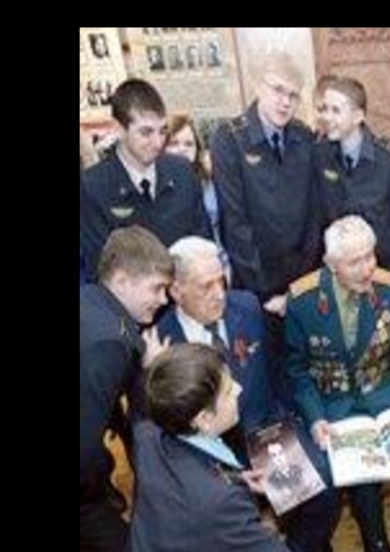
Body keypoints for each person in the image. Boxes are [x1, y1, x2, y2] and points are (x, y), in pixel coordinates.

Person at [157, 236, 338, 552]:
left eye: (221, 281)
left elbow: (277, 368)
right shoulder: (161, 343)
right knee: (229, 526)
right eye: (206, 286)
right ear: (176, 291)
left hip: (263, 429)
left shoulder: (247, 306)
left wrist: (297, 421)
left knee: (321, 486)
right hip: (209, 453)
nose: (219, 294)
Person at [285, 216, 390, 552]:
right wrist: (315, 418)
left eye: (370, 256)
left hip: (387, 386)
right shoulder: (303, 301)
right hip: (336, 400)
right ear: (331, 264)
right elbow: (297, 371)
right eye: (354, 262)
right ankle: (375, 538)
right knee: (360, 470)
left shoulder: (388, 288)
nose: (367, 268)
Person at [124, 344, 366, 552]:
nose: (239, 389)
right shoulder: (219, 505)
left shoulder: (148, 435)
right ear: (204, 419)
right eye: (228, 391)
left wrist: (235, 478)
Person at [211, 51, 322, 398]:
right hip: (255, 287)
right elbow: (235, 223)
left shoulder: (304, 137)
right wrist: (265, 293)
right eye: (278, 90)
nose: (285, 102)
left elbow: (314, 213)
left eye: (293, 95)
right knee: (262, 376)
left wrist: (300, 286)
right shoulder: (229, 138)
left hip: (301, 282)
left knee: (304, 370)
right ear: (258, 86)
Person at [80, 226, 174, 552]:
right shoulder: (110, 343)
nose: (163, 299)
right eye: (156, 288)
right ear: (121, 281)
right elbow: (85, 447)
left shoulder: (91, 301)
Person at [80, 78, 210, 281]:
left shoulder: (182, 172)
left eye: (162, 131)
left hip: (186, 293)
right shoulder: (92, 187)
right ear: (118, 129)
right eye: (146, 132)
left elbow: (203, 244)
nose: (157, 142)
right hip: (129, 299)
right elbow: (99, 270)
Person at [314, 76, 390, 284]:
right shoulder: (320, 154)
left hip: (383, 272)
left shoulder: (387, 158)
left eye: (336, 110)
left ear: (358, 116)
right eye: (325, 109)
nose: (327, 117)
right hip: (340, 276)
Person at [164, 114, 230, 278]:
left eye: (189, 144)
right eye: (174, 143)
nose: (182, 149)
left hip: (216, 264)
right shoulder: (158, 187)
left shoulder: (209, 180)